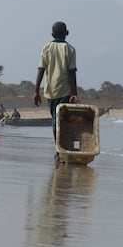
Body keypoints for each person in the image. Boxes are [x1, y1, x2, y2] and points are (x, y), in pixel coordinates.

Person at [33, 21, 79, 155]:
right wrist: (74, 93)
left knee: (55, 120)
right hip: (66, 91)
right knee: (64, 121)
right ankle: (62, 149)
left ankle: (59, 150)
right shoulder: (70, 49)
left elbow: (41, 69)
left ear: (52, 34)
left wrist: (36, 90)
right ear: (67, 33)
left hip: (51, 91)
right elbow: (72, 72)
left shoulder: (46, 47)